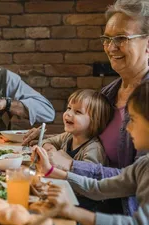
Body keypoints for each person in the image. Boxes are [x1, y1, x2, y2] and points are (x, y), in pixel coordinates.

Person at [22, 0, 149, 215]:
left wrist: (72, 165)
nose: (110, 47)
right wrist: (47, 138)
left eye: (121, 38)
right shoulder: (108, 93)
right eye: (107, 39)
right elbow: (87, 135)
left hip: (120, 214)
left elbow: (137, 180)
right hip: (89, 198)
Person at [33, 81, 149, 225]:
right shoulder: (143, 165)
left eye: (133, 120)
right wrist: (51, 170)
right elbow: (98, 187)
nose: (128, 128)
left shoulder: (95, 148)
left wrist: (72, 211)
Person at [41, 89, 112, 164]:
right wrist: (52, 151)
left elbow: (90, 172)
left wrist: (65, 161)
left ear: (94, 121)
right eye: (69, 108)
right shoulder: (68, 136)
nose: (68, 113)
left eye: (78, 112)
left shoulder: (94, 149)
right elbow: (47, 141)